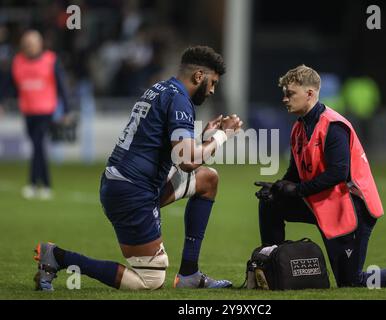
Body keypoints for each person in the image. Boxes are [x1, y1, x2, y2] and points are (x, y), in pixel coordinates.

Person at [33, 45, 243, 291]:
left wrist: (207, 137)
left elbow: (174, 151)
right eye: (213, 82)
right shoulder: (179, 99)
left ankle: (189, 275)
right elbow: (186, 160)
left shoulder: (160, 89)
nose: (212, 90)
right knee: (151, 281)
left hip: (129, 182)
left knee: (208, 180)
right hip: (131, 192)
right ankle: (57, 257)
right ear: (199, 76)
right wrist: (221, 137)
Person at [255, 65, 386, 288]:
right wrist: (278, 187)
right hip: (325, 201)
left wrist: (298, 190)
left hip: (353, 208)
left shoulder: (333, 126)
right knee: (270, 203)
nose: (285, 99)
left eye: (290, 93)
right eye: (284, 93)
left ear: (310, 94)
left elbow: (337, 174)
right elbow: (295, 173)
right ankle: (272, 267)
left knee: (351, 282)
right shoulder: (299, 128)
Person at [0, 30, 71, 200]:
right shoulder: (18, 62)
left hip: (46, 111)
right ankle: (45, 184)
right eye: (26, 44)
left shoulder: (51, 60)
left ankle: (34, 184)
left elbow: (62, 86)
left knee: (38, 145)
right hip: (28, 111)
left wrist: (67, 110)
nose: (28, 47)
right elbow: (9, 85)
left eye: (31, 43)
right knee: (37, 147)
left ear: (40, 44)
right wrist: (2, 103)